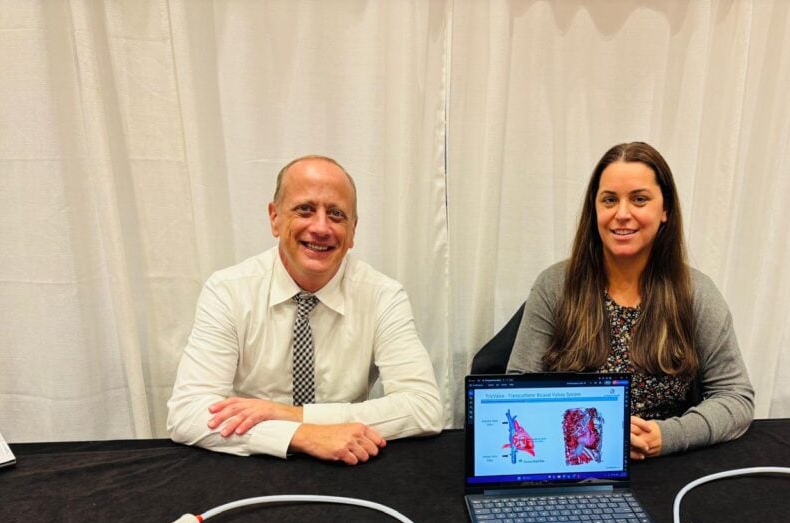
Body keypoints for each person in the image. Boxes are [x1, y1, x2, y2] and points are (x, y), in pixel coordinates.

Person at [167, 155, 443, 464]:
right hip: (254, 462)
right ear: (274, 218)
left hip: (351, 462)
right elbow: (186, 412)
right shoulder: (228, 291)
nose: (321, 227)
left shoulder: (383, 296)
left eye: (336, 214)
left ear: (353, 231)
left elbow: (424, 408)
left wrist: (293, 415)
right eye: (305, 210)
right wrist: (300, 435)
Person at [507, 141, 753, 459]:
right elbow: (516, 391)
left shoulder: (697, 293)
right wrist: (592, 436)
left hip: (665, 465)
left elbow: (736, 397)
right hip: (572, 462)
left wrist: (669, 435)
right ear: (594, 209)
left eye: (639, 199)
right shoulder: (555, 286)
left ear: (665, 210)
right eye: (609, 200)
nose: (622, 214)